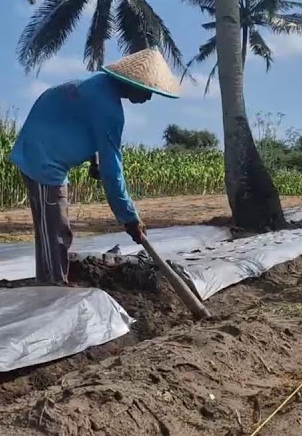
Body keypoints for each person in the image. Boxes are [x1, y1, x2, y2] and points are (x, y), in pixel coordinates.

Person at [11, 48, 181, 284]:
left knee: (51, 231)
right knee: (55, 233)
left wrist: (93, 157)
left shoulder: (99, 86)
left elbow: (79, 120)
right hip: (42, 159)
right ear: (133, 83)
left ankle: (51, 281)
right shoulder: (108, 108)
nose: (149, 97)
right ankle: (53, 287)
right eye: (148, 90)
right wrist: (130, 218)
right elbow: (113, 172)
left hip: (42, 152)